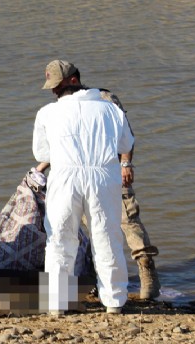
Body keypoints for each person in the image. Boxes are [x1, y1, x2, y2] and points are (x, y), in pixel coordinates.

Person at [34, 67, 161, 301]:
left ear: (73, 80)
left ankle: (146, 275)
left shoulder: (105, 99)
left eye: (58, 87)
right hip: (92, 176)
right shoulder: (60, 109)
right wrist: (40, 170)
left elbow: (126, 138)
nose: (54, 92)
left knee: (122, 222)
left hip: (107, 171)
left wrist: (126, 165)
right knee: (96, 233)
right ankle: (105, 291)